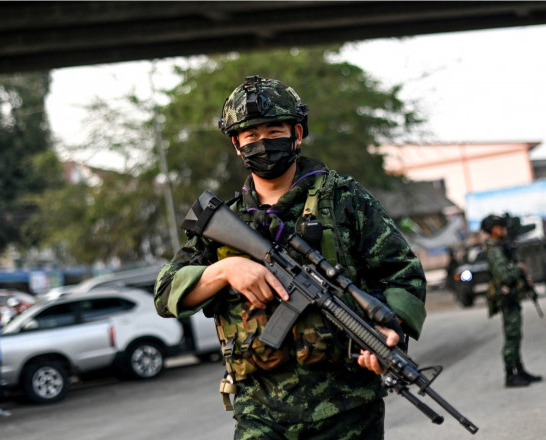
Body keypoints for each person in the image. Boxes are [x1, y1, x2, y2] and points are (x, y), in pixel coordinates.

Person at [155, 75, 427, 439]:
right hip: (260, 413)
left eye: (273, 130)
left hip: (347, 409)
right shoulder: (222, 221)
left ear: (297, 133)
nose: (262, 143)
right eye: (250, 135)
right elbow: (166, 293)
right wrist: (225, 270)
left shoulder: (344, 199)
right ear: (237, 145)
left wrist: (389, 331)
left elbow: (403, 274)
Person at [480, 214, 542, 388]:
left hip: (512, 296)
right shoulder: (494, 250)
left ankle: (519, 370)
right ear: (493, 229)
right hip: (506, 298)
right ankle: (510, 374)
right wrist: (519, 269)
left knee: (515, 335)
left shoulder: (501, 247)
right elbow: (505, 276)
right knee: (511, 336)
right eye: (500, 227)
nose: (504, 230)